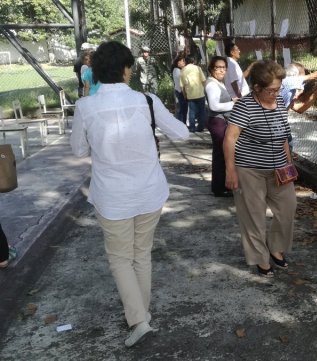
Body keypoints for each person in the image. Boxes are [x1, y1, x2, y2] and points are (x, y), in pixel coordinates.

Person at [70, 41, 189, 347]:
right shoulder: (147, 101)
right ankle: (140, 316)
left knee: (121, 259)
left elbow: (79, 150)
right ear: (126, 70)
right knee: (140, 255)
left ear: (95, 71)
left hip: (112, 196)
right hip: (149, 191)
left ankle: (139, 320)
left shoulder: (85, 107)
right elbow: (182, 133)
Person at [223, 60, 296, 277]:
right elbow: (230, 138)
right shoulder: (245, 106)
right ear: (256, 88)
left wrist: (289, 163)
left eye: (278, 88)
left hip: (279, 169)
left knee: (287, 210)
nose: (276, 93)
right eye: (271, 90)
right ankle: (260, 259)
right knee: (253, 216)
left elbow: (283, 136)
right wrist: (230, 170)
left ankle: (275, 248)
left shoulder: (280, 103)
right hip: (249, 170)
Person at [205, 56, 238, 197]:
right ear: (212, 69)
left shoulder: (217, 82)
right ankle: (219, 187)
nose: (221, 70)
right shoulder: (212, 84)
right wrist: (233, 103)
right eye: (218, 67)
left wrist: (231, 100)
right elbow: (214, 106)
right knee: (221, 154)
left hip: (221, 121)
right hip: (218, 121)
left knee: (223, 153)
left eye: (224, 67)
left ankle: (224, 185)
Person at [180, 55, 207, 132]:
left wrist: (185, 95)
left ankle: (192, 127)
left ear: (185, 61)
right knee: (202, 111)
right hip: (200, 93)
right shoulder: (198, 68)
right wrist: (206, 89)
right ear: (193, 61)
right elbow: (204, 80)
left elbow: (182, 86)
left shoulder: (183, 70)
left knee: (192, 112)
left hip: (190, 94)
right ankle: (201, 127)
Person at [171, 54, 188, 124]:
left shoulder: (177, 70)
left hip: (179, 91)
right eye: (182, 61)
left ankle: (181, 122)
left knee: (182, 108)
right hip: (180, 91)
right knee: (182, 109)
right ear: (178, 62)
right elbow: (182, 82)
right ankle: (180, 123)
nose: (184, 63)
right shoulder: (177, 70)